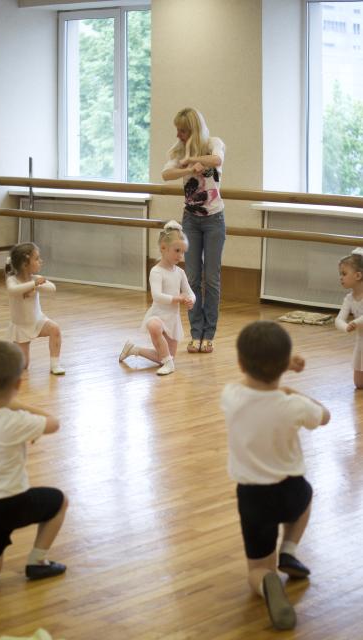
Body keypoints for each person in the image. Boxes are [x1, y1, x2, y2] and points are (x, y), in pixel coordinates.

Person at [221, 321, 330, 630]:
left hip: (253, 498)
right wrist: (291, 386)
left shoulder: (231, 396)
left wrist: (279, 374)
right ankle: (289, 550)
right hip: (291, 491)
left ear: (241, 363)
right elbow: (324, 416)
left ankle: (267, 582)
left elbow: (250, 390)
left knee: (256, 569)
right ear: (285, 364)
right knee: (307, 496)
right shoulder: (293, 405)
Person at [0, 339, 68, 616]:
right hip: (14, 503)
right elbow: (54, 423)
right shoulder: (17, 420)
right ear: (18, 384)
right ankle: (37, 562)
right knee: (59, 501)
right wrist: (21, 405)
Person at [162, 107, 226, 354]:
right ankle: (195, 333)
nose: (179, 135)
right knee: (190, 278)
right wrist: (189, 167)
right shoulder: (178, 151)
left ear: (194, 130)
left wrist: (198, 161)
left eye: (183, 130)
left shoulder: (213, 143)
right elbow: (166, 173)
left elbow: (217, 159)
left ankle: (209, 334)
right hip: (190, 220)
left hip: (214, 220)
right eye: (177, 130)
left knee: (211, 278)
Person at [119, 220, 195, 376]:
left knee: (164, 357)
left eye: (183, 252)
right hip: (157, 315)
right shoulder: (156, 271)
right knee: (154, 326)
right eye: (177, 251)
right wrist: (176, 299)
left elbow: (190, 292)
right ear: (163, 248)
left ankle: (133, 349)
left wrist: (190, 300)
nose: (180, 256)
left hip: (172, 319)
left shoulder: (179, 273)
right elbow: (157, 296)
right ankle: (169, 365)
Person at [5, 242, 65, 375]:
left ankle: (55, 365)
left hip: (38, 322)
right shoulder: (12, 280)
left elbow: (52, 288)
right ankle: (9, 355)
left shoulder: (36, 279)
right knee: (24, 365)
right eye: (37, 259)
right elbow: (12, 291)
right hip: (21, 327)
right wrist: (32, 284)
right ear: (25, 264)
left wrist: (35, 286)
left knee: (55, 329)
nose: (40, 261)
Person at [335, 247, 363, 389]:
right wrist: (346, 327)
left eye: (344, 274)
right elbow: (338, 319)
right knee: (359, 384)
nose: (341, 277)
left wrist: (356, 322)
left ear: (358, 276)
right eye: (341, 274)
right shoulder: (349, 298)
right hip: (361, 342)